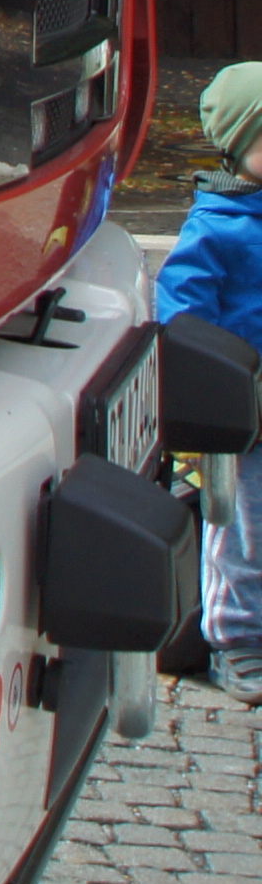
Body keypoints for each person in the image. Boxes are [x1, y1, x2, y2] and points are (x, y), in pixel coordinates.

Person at [156, 62, 262, 700]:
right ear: (239, 148)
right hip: (242, 421)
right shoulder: (217, 227)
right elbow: (182, 318)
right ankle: (237, 641)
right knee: (244, 531)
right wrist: (206, 395)